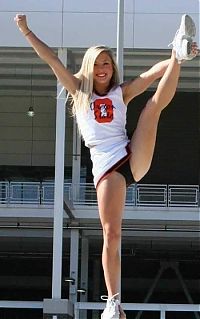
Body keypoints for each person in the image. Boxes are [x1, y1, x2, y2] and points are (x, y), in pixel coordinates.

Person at [14, 13, 198, 319]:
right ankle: (113, 302)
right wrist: (27, 32)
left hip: (130, 154)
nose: (103, 69)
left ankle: (178, 50)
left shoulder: (120, 92)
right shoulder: (78, 91)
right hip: (108, 168)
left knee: (151, 111)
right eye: (98, 64)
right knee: (112, 234)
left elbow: (152, 74)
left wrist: (177, 57)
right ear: (89, 67)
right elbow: (51, 61)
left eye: (107, 64)